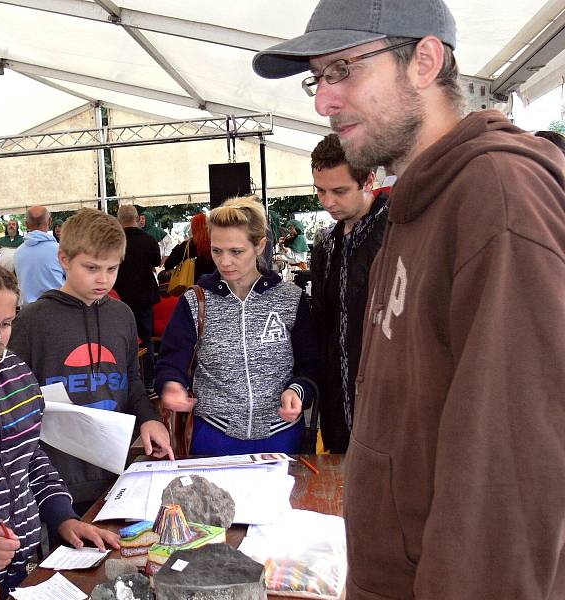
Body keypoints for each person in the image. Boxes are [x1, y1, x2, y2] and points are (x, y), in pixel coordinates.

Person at [252, 1, 565, 597]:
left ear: (424, 61)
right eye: (317, 79)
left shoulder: (497, 198)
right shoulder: (413, 208)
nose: (323, 101)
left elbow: (512, 481)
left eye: (343, 69)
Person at [0, 257, 119, 596]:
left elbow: (29, 456)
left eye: (7, 323)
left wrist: (63, 515)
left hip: (20, 566)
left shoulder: (16, 373)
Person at [8, 208, 173, 513]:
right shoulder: (32, 321)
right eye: (92, 268)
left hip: (119, 470)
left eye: (112, 269)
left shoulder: (121, 315)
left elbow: (131, 381)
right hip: (59, 478)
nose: (103, 279)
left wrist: (149, 418)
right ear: (64, 259)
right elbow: (14, 400)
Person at [155, 196, 319, 455]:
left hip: (281, 435)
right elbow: (170, 361)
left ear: (259, 245)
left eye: (236, 251)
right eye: (217, 250)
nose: (225, 261)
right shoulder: (194, 301)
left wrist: (298, 390)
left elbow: (310, 363)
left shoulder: (290, 298)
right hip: (213, 436)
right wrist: (172, 384)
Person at [308, 134, 389, 454]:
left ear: (368, 180)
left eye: (339, 191)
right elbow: (322, 325)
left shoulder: (396, 231)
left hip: (387, 400)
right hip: (336, 405)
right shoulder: (325, 245)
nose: (328, 202)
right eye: (320, 191)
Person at [113, 204, 161, 392]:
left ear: (119, 220)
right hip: (144, 298)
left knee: (122, 341)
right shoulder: (148, 240)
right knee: (146, 338)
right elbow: (157, 262)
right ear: (136, 218)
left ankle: (126, 383)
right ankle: (149, 381)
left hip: (119, 298)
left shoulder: (115, 242)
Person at [13, 205, 65, 304]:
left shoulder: (18, 253)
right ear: (50, 221)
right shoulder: (60, 250)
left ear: (26, 224)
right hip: (58, 309)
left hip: (29, 313)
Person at [163, 212, 216, 283]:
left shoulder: (186, 246)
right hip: (215, 284)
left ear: (193, 228)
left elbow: (168, 264)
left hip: (192, 286)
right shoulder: (216, 242)